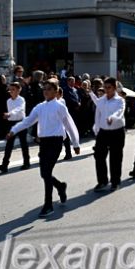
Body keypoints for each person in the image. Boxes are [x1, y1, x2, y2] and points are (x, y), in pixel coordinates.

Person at [7, 79, 81, 218]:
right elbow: (28, 120)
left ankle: (48, 205)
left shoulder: (60, 106)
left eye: (49, 89)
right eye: (44, 89)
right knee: (44, 174)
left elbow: (69, 124)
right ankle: (60, 186)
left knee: (46, 173)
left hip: (56, 142)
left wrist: (75, 143)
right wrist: (14, 130)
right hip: (44, 143)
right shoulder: (39, 107)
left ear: (55, 91)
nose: (45, 91)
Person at [92, 77, 126, 192]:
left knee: (115, 157)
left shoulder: (120, 100)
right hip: (103, 131)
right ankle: (102, 181)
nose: (106, 90)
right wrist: (96, 128)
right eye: (105, 87)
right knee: (99, 155)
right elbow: (98, 115)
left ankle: (115, 182)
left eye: (109, 87)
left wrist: (113, 118)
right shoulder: (101, 100)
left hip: (117, 130)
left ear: (115, 88)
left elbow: (120, 112)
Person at [0, 81, 30, 173]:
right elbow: (11, 113)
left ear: (19, 90)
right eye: (10, 89)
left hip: (21, 123)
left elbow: (19, 109)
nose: (10, 91)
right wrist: (8, 115)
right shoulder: (8, 101)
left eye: (13, 89)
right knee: (9, 145)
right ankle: (4, 165)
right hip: (11, 124)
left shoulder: (21, 100)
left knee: (23, 143)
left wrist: (9, 113)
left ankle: (26, 162)